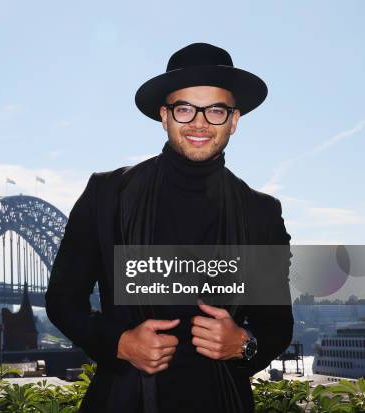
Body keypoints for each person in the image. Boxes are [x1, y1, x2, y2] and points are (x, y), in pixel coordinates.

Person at [44, 43, 294, 413]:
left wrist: (244, 345)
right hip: (124, 399)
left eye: (215, 110)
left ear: (234, 120)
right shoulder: (107, 194)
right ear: (164, 116)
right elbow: (63, 300)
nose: (199, 122)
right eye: (184, 109)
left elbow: (275, 324)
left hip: (222, 400)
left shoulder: (261, 212)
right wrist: (120, 343)